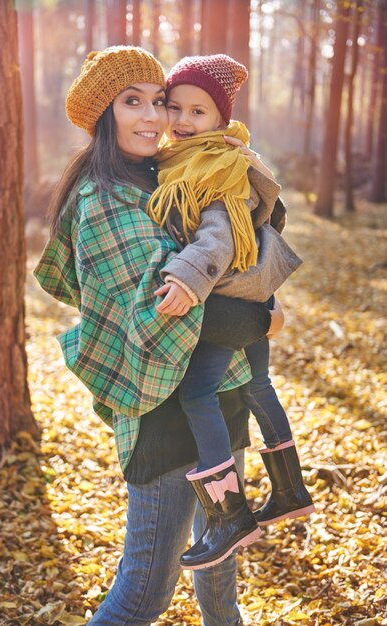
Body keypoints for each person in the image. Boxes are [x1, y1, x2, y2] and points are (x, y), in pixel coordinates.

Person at [34, 46, 283, 626]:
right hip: (162, 413)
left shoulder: (172, 172)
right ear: (105, 115)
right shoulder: (103, 197)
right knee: (144, 594)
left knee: (221, 573)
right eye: (132, 102)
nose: (153, 117)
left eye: (159, 101)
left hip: (221, 393)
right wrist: (261, 319)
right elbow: (160, 311)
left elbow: (243, 245)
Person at [147, 54, 315, 570]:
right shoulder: (194, 157)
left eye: (198, 112)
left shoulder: (216, 165)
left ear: (219, 119)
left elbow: (218, 238)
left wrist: (186, 277)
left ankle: (228, 515)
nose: (182, 120)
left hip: (225, 295)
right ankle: (290, 491)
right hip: (250, 297)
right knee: (258, 385)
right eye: (175, 107)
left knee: (200, 395)